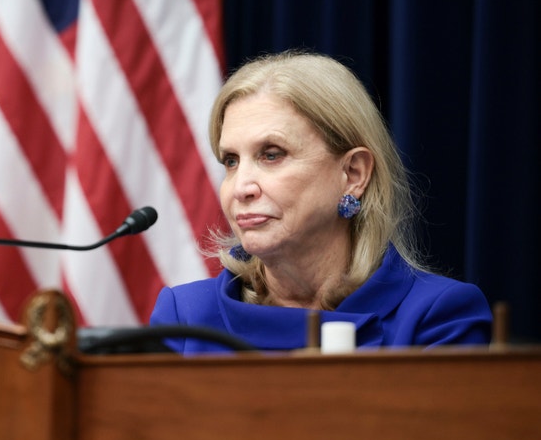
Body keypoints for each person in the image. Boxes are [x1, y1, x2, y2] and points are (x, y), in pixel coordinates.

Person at [149, 50, 493, 353]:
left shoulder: (437, 317)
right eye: (231, 161)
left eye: (271, 154)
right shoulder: (184, 317)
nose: (241, 187)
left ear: (353, 174)